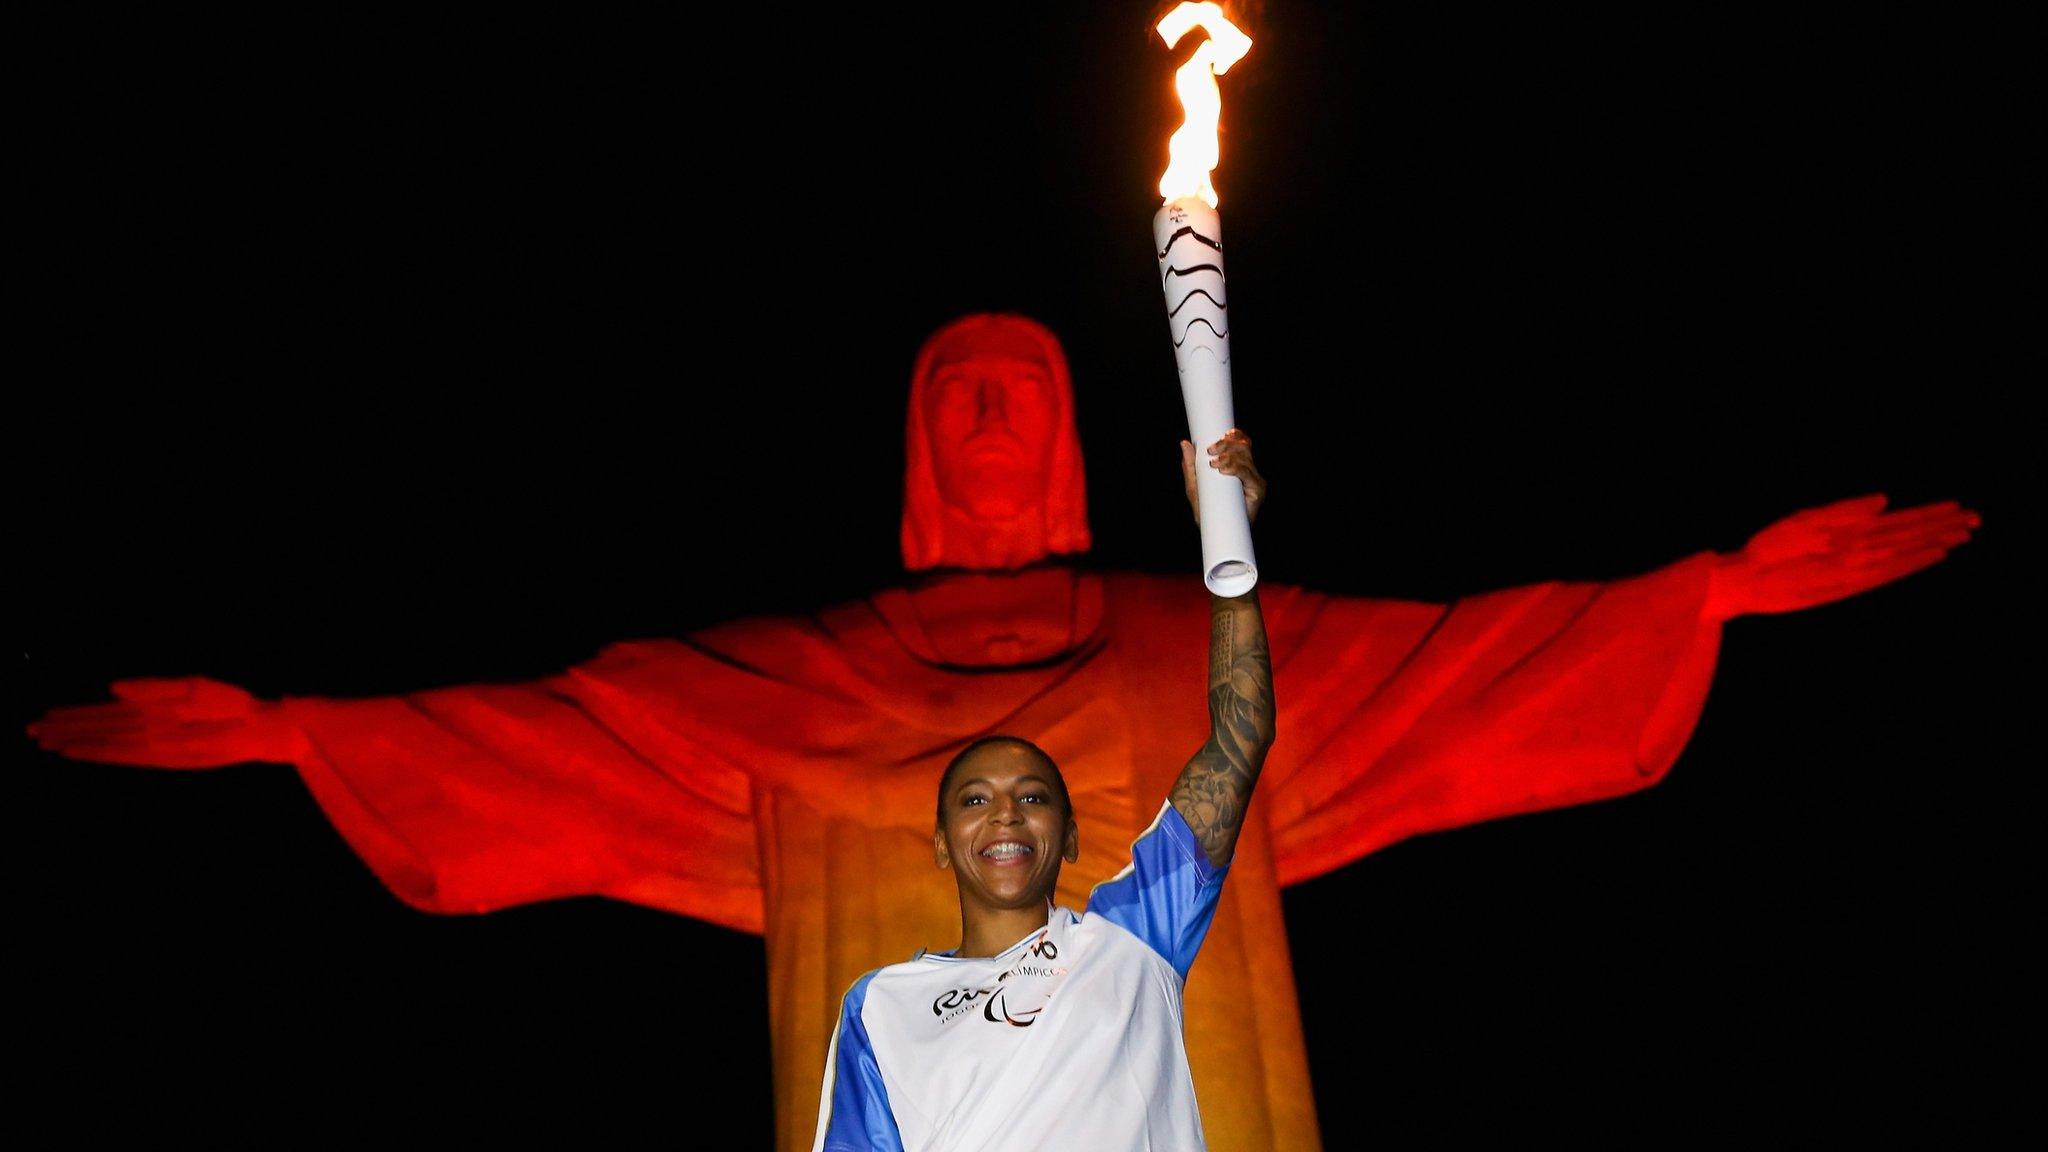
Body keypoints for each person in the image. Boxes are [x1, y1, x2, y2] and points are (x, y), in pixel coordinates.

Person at [26, 313, 1978, 1152]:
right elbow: (576, 738)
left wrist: (1700, 592)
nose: (980, 421)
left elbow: (1447, 668)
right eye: (950, 394)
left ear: (1054, 437)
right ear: (913, 452)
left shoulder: (1172, 644)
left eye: (1011, 392)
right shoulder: (805, 679)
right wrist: (299, 734)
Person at [813, 429, 1271, 1152]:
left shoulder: (1134, 940)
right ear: (940, 843)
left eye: (1033, 797)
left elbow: (1238, 742)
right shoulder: (880, 1007)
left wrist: (1228, 541)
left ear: (1071, 835)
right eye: (973, 800)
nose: (1005, 812)